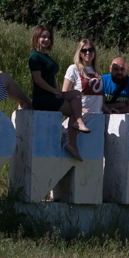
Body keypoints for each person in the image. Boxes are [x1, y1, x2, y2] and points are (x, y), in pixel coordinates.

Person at [29, 24, 86, 160]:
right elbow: (38, 80)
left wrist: (57, 91)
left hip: (51, 93)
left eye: (48, 37)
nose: (46, 40)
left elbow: (51, 76)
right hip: (42, 97)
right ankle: (73, 143)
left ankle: (78, 122)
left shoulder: (47, 57)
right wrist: (53, 90)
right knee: (72, 111)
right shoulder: (34, 57)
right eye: (43, 37)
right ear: (37, 37)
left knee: (76, 94)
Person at [63, 40, 106, 117]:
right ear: (79, 53)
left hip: (98, 116)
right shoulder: (73, 69)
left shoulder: (97, 70)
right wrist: (79, 108)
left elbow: (98, 97)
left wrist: (107, 109)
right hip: (80, 115)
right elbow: (64, 94)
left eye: (91, 50)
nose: (88, 53)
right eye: (84, 50)